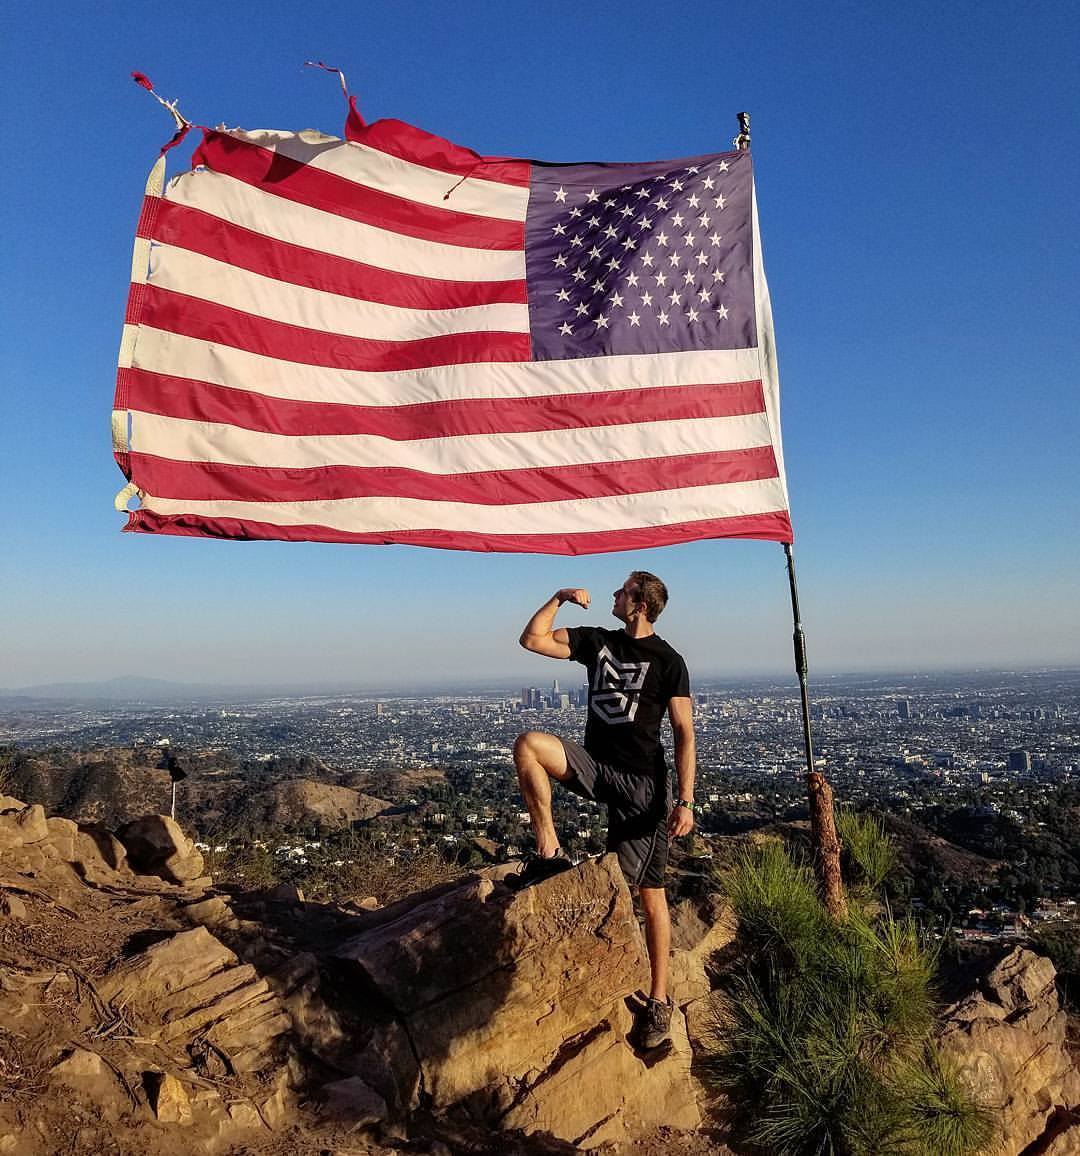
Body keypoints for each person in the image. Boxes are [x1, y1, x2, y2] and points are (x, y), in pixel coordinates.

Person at [511, 571, 696, 1049]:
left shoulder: (669, 661)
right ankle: (549, 853)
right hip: (597, 767)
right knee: (529, 746)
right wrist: (558, 597)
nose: (613, 594)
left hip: (642, 787)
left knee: (648, 892)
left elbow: (684, 732)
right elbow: (532, 639)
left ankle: (658, 1000)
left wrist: (685, 799)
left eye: (623, 590)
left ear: (639, 604)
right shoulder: (599, 642)